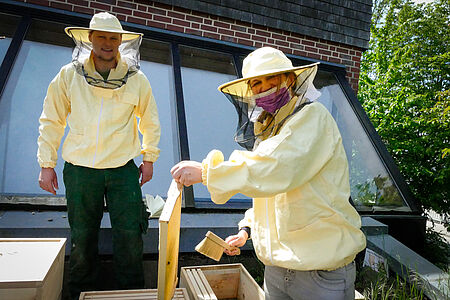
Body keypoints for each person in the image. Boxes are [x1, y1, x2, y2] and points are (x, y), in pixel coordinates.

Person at [171, 47, 366, 300]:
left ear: (289, 79)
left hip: (319, 273)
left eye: (270, 79)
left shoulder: (313, 118)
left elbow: (275, 168)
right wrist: (247, 230)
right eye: (256, 83)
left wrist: (208, 171)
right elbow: (269, 191)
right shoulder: (269, 130)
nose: (263, 88)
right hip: (276, 270)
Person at [37, 12, 160, 299]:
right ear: (90, 39)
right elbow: (51, 119)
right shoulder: (68, 75)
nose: (107, 43)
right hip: (80, 170)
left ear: (120, 42)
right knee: (82, 236)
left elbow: (150, 120)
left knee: (130, 235)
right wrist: (46, 164)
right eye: (101, 36)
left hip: (122, 169)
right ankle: (80, 292)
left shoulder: (137, 79)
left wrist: (149, 157)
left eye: (113, 38)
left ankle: (130, 293)